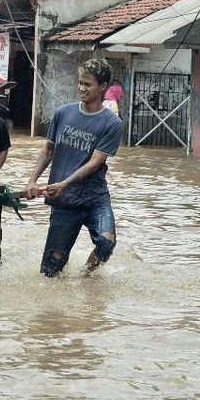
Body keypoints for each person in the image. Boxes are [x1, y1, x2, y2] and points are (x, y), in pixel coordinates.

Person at [24, 58, 123, 278]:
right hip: (64, 201)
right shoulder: (63, 113)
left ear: (103, 86)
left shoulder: (112, 124)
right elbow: (47, 151)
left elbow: (95, 162)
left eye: (88, 84)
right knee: (51, 269)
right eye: (80, 83)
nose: (81, 88)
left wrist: (65, 183)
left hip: (94, 198)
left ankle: (85, 277)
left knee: (106, 242)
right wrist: (32, 181)